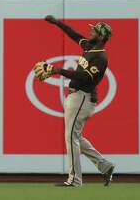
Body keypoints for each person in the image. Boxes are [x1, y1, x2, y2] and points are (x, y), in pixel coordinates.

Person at [42, 16, 116, 187]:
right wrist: (58, 23)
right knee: (76, 137)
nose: (91, 31)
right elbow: (75, 35)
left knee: (70, 137)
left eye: (95, 31)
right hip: (78, 96)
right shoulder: (90, 47)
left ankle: (74, 179)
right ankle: (105, 166)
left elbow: (83, 77)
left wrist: (57, 69)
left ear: (101, 37)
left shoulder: (101, 58)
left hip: (83, 97)